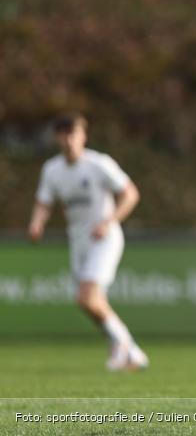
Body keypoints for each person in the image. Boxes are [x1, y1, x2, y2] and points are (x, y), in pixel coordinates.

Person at [28, 114, 148, 371]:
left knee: (87, 297)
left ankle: (123, 345)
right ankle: (131, 351)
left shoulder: (99, 164)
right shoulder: (52, 170)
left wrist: (109, 221)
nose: (69, 140)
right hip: (79, 241)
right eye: (64, 135)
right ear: (57, 138)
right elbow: (44, 202)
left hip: (104, 239)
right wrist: (37, 224)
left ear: (83, 136)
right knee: (89, 303)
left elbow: (130, 194)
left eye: (73, 134)